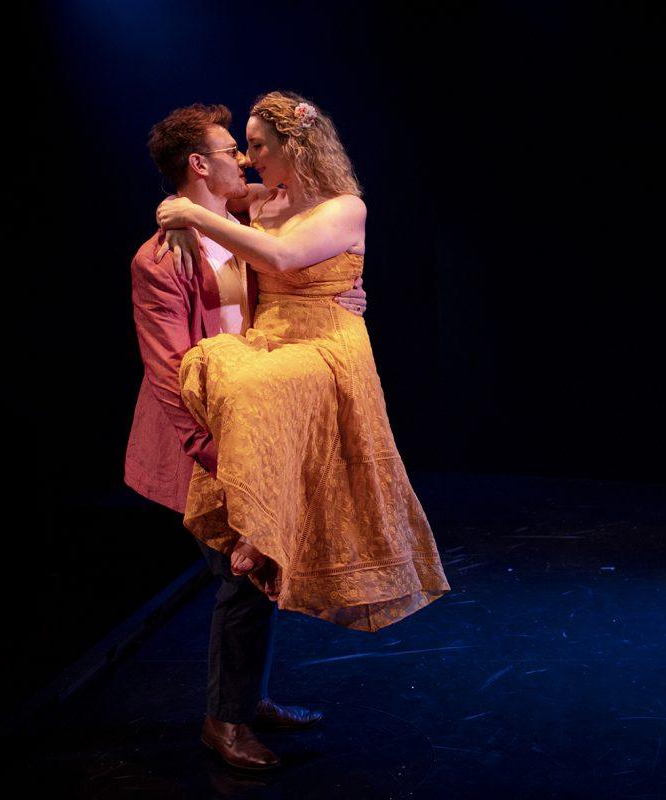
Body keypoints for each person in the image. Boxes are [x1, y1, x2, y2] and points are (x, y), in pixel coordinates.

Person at [126, 102, 368, 771]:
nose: (243, 159)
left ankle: (245, 699)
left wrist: (343, 296)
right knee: (244, 578)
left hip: (256, 424)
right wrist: (221, 461)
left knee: (262, 577)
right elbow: (172, 376)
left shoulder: (242, 221)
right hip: (206, 442)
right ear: (198, 165)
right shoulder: (160, 258)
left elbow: (305, 241)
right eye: (231, 150)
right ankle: (224, 723)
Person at [155, 90, 450, 634]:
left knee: (261, 385)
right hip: (275, 336)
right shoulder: (263, 198)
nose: (249, 157)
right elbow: (200, 187)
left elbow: (283, 257)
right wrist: (174, 213)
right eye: (244, 146)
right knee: (237, 377)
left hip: (328, 342)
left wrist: (188, 213)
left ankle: (257, 530)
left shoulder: (346, 206)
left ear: (296, 145)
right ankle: (257, 520)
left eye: (259, 145)